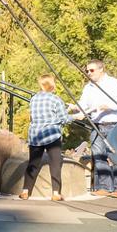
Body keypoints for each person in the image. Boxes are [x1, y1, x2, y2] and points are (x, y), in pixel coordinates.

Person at [67, 60, 117, 197]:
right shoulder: (88, 87)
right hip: (97, 125)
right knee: (99, 156)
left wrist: (96, 108)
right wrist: (75, 107)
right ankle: (105, 187)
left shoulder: (113, 83)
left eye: (92, 70)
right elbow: (83, 104)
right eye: (87, 71)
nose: (88, 73)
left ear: (101, 69)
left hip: (116, 124)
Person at [20, 73, 69, 202]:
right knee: (55, 164)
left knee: (33, 163)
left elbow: (32, 116)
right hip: (52, 135)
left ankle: (25, 191)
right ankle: (56, 193)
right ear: (52, 84)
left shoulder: (34, 99)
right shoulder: (56, 99)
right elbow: (64, 119)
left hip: (35, 135)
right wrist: (76, 116)